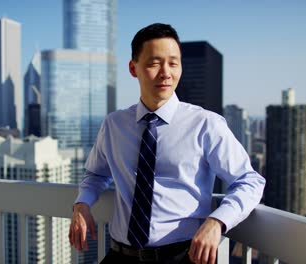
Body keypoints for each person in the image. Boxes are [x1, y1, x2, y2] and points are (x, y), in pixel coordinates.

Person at [69, 23, 265, 264]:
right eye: (154, 63)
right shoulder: (114, 125)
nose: (166, 73)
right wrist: (82, 204)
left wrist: (217, 221)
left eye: (173, 63)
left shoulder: (205, 124)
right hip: (121, 255)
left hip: (183, 257)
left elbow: (250, 181)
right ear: (133, 68)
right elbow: (95, 174)